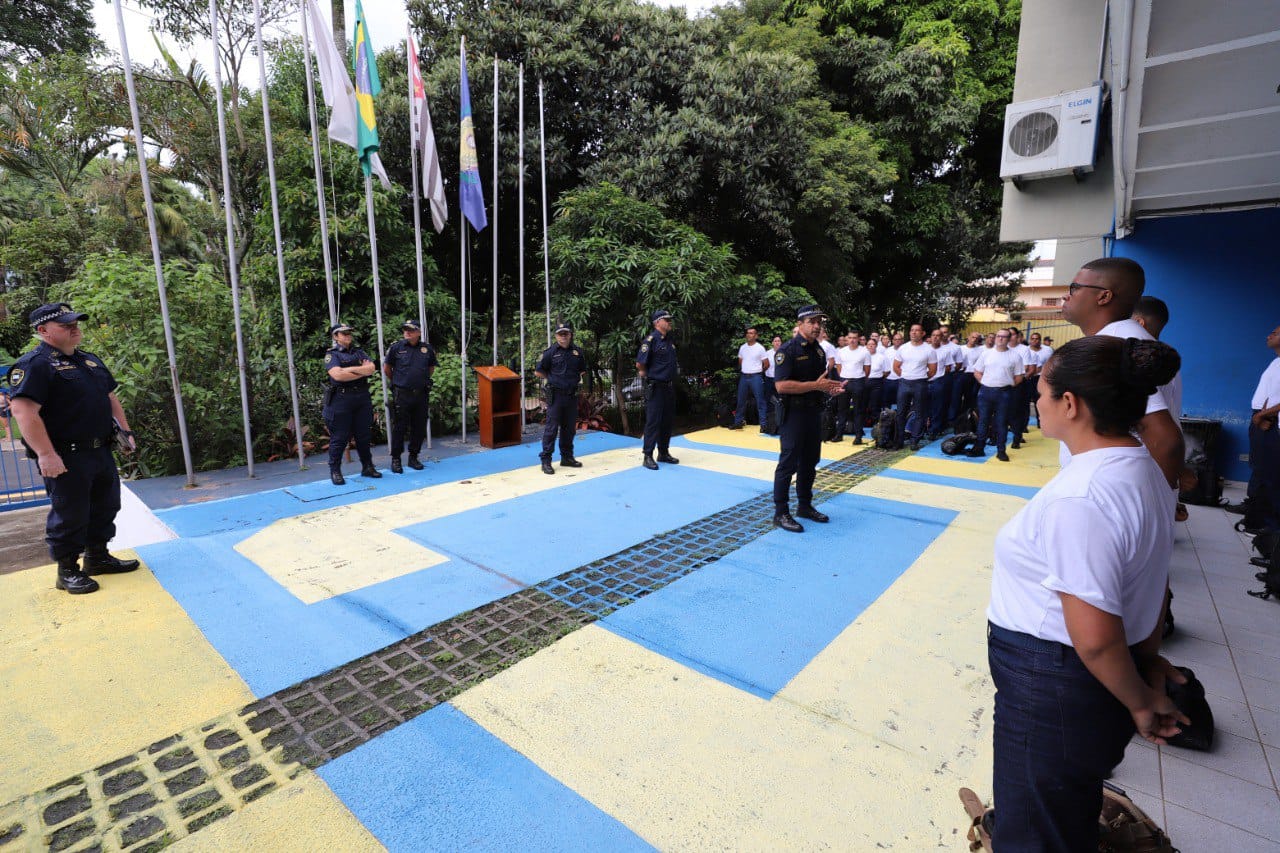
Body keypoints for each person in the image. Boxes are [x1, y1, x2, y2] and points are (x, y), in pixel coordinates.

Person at [987, 335, 1187, 852]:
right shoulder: (1141, 467)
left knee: (1034, 832)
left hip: (1053, 681)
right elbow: (1151, 579)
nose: (1037, 401)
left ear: (1070, 404)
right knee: (1063, 811)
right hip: (1082, 680)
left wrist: (1140, 700)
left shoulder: (1082, 496)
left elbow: (1095, 638)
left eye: (1042, 392)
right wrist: (1146, 659)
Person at [8, 303, 140, 595]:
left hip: (100, 450)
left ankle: (98, 557)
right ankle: (67, 570)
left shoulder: (88, 360)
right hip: (65, 455)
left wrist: (125, 432)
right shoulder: (35, 365)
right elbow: (23, 411)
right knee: (71, 513)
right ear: (43, 331)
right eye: (66, 325)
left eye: (75, 323)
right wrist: (46, 454)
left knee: (106, 505)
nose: (74, 328)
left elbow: (110, 398)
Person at [1061, 258, 1184, 492]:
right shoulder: (1125, 340)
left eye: (1074, 288)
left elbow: (1164, 439)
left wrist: (1160, 498)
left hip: (1113, 489)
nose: (1066, 296)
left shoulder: (1117, 345)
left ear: (1104, 296)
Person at [772, 305, 844, 532]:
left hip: (813, 412)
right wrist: (816, 385)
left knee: (810, 461)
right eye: (811, 321)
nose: (816, 326)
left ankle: (804, 506)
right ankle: (781, 512)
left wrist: (830, 390)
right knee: (788, 463)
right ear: (800, 323)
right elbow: (781, 386)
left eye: (819, 322)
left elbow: (819, 383)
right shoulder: (787, 351)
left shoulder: (819, 351)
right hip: (793, 414)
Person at [324, 322, 382, 486]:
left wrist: (348, 370)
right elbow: (337, 376)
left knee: (363, 435)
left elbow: (371, 369)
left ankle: (367, 466)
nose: (348, 335)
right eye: (344, 333)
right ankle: (335, 470)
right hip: (342, 399)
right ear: (335, 336)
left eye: (349, 332)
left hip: (362, 398)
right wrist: (360, 371)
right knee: (340, 437)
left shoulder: (359, 352)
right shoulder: (332, 355)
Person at [535, 321, 590, 474]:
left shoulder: (577, 352)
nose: (563, 336)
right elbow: (539, 371)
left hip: (571, 395)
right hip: (556, 396)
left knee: (569, 429)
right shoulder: (550, 353)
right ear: (556, 336)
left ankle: (567, 457)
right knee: (551, 429)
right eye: (560, 334)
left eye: (566, 333)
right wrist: (554, 379)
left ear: (570, 335)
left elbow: (582, 371)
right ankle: (546, 460)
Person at [383, 319, 437, 474]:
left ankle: (413, 457)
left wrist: (419, 381)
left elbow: (430, 368)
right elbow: (387, 368)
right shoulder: (396, 348)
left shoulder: (427, 349)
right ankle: (396, 459)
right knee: (399, 427)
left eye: (411, 330)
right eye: (405, 329)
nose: (407, 332)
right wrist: (399, 382)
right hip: (402, 394)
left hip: (421, 394)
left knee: (419, 427)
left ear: (419, 332)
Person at [636, 309, 680, 470]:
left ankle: (663, 452)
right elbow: (640, 364)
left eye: (669, 319)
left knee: (667, 421)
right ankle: (647, 455)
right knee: (653, 422)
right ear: (657, 322)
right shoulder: (651, 340)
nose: (669, 322)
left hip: (668, 387)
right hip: (655, 387)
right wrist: (648, 376)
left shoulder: (669, 341)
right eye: (666, 320)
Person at [971, 330, 1023, 461]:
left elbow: (1019, 376)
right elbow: (977, 371)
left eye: (1004, 337)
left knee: (1001, 423)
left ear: (1009, 339)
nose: (1000, 339)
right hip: (985, 392)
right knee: (983, 421)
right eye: (998, 336)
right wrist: (985, 382)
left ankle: (1001, 451)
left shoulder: (1015, 356)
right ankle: (979, 448)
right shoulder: (986, 354)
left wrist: (1007, 385)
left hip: (1004, 393)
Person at [893, 323, 937, 450]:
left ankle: (914, 440)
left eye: (917, 330)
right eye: (912, 330)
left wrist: (920, 377)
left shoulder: (929, 350)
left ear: (923, 333)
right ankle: (899, 440)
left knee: (920, 414)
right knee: (900, 413)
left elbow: (933, 370)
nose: (914, 332)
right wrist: (906, 375)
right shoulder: (903, 348)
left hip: (920, 383)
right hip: (904, 383)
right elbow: (896, 367)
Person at [833, 331, 870, 444]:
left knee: (858, 410)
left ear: (858, 339)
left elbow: (867, 369)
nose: (852, 340)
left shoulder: (864, 351)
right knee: (842, 409)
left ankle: (858, 436)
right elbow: (838, 366)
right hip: (844, 381)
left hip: (858, 381)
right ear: (847, 339)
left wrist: (858, 377)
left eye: (854, 338)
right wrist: (844, 378)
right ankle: (839, 434)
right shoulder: (841, 351)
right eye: (850, 338)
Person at [730, 327, 768, 431]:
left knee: (760, 401)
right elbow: (740, 361)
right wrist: (746, 368)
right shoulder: (742, 347)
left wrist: (758, 372)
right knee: (740, 400)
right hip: (744, 377)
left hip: (756, 377)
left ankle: (763, 425)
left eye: (751, 333)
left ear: (756, 336)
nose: (749, 335)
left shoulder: (760, 348)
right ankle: (738, 422)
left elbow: (766, 364)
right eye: (748, 333)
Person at [865, 338, 889, 426]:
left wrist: (880, 378)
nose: (871, 346)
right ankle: (865, 422)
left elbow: (887, 371)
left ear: (876, 346)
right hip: (864, 381)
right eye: (869, 344)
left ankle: (876, 424)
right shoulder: (862, 356)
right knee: (863, 403)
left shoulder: (882, 357)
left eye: (873, 344)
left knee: (875, 404)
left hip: (877, 382)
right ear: (866, 346)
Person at [762, 334, 782, 435]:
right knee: (768, 401)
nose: (777, 342)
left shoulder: (784, 352)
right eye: (775, 341)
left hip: (780, 380)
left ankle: (780, 425)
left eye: (779, 341)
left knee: (780, 402)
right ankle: (768, 425)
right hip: (769, 380)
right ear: (772, 343)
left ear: (781, 343)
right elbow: (763, 366)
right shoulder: (767, 353)